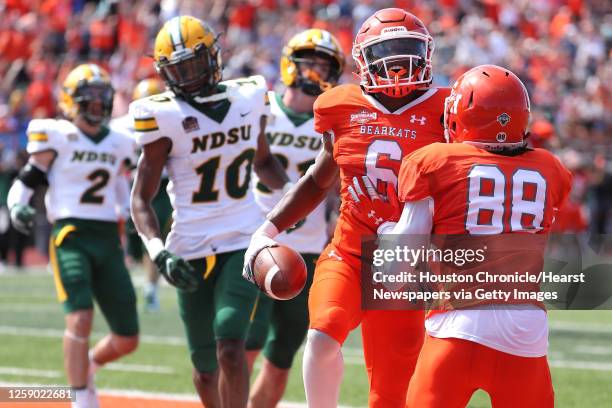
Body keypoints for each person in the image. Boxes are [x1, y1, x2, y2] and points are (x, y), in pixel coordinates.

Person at [243, 8, 449, 408]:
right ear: (363, 61)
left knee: (390, 392)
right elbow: (319, 178)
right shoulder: (339, 105)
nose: (397, 62)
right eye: (386, 51)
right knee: (322, 335)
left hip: (406, 264)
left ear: (425, 53)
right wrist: (267, 230)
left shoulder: (445, 109)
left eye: (407, 50)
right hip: (350, 250)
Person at [357, 64, 571, 407]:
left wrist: (385, 238)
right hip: (526, 330)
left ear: (460, 116)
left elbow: (395, 273)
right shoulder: (551, 169)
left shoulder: (436, 161)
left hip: (457, 324)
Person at [129, 16, 288, 408]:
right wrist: (157, 251)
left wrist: (287, 198)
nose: (188, 76)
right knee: (203, 368)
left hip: (242, 237)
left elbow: (264, 161)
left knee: (231, 347)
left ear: (213, 57)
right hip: (188, 246)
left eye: (194, 64)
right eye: (178, 69)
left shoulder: (249, 97)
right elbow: (140, 199)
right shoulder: (162, 115)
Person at [7, 63, 139, 408]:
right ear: (70, 101)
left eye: (101, 98)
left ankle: (89, 365)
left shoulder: (120, 140)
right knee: (79, 316)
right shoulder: (57, 135)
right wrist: (18, 205)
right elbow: (28, 178)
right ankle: (81, 398)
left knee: (128, 337)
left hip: (108, 238)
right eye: (89, 98)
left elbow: (131, 187)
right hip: (71, 235)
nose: (96, 105)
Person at [245, 28, 344, 408]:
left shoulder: (337, 119)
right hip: (261, 244)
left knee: (280, 359)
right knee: (243, 347)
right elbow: (258, 162)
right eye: (309, 62)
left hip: (310, 252)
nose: (316, 72)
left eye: (325, 65)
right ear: (290, 64)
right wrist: (292, 194)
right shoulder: (262, 108)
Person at [111, 77, 169, 312]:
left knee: (154, 240)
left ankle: (150, 290)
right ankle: (121, 287)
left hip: (159, 187)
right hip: (126, 186)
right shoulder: (120, 126)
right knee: (126, 242)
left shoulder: (169, 122)